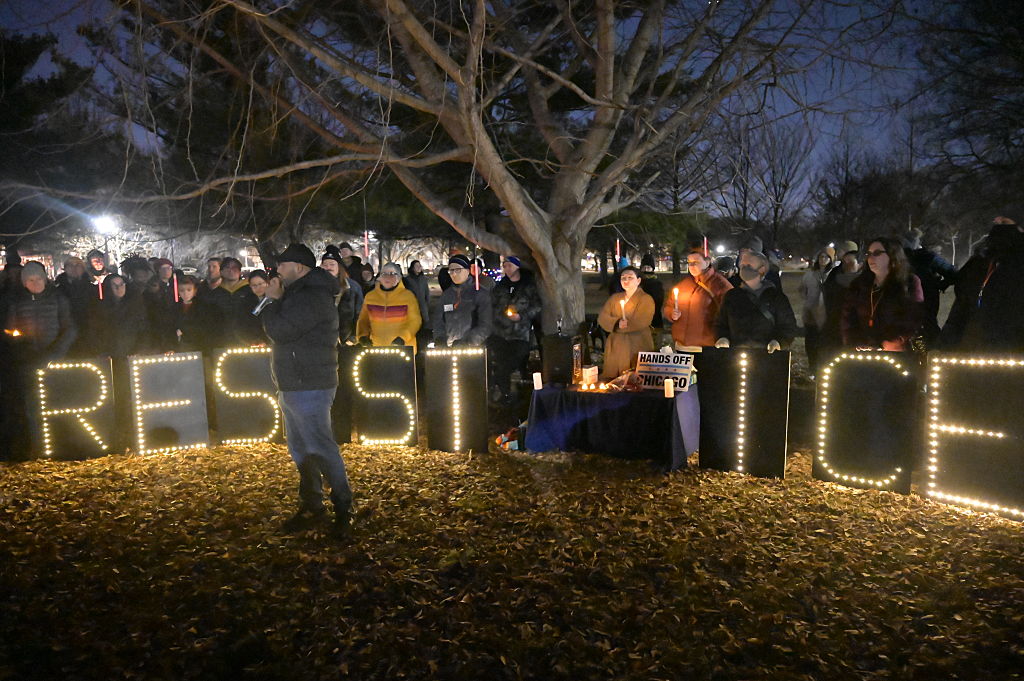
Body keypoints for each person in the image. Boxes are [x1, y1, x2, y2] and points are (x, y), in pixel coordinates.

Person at [257, 243, 351, 538]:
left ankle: (343, 508)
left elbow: (280, 331)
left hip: (309, 383)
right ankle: (313, 505)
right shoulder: (299, 293)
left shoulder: (312, 296)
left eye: (282, 265)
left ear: (299, 267)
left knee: (320, 447)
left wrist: (272, 301)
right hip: (294, 382)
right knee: (301, 450)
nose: (277, 271)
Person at [2, 262, 77, 456]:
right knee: (33, 406)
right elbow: (10, 331)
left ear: (45, 279)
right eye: (30, 280)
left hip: (55, 361)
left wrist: (55, 353)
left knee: (59, 404)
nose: (35, 283)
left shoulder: (58, 298)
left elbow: (69, 329)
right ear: (24, 282)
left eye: (38, 279)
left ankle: (62, 444)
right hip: (29, 363)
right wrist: (24, 350)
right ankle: (39, 446)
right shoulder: (16, 302)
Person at [941, 217, 1024, 352]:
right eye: (996, 222)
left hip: (1012, 344)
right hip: (978, 342)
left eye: (1004, 222)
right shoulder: (980, 263)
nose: (997, 224)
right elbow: (962, 305)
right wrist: (945, 344)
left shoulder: (1012, 264)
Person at [841, 236, 924, 351]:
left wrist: (892, 342)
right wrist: (854, 341)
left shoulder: (908, 283)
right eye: (869, 254)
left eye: (877, 253)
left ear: (892, 255)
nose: (871, 258)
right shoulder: (859, 284)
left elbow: (913, 317)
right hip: (864, 351)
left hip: (896, 352)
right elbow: (848, 317)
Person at [715, 250, 797, 353]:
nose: (744, 269)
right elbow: (721, 323)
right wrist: (723, 338)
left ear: (762, 270)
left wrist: (778, 342)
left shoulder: (776, 298)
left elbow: (788, 327)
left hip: (766, 355)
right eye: (742, 265)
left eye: (748, 265)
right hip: (736, 355)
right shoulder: (731, 296)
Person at [488, 256, 542, 403]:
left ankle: (500, 384)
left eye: (509, 265)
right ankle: (504, 395)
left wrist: (522, 316)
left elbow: (537, 306)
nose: (507, 269)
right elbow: (492, 306)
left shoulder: (528, 287)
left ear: (517, 267)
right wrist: (499, 318)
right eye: (504, 266)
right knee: (501, 362)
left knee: (512, 361)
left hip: (520, 333)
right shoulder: (500, 287)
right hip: (500, 333)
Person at [663, 247, 732, 349]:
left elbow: (729, 314)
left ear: (707, 262)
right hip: (681, 345)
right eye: (689, 262)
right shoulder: (684, 284)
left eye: (696, 262)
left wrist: (723, 337)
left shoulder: (720, 285)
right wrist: (671, 313)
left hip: (706, 346)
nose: (691, 265)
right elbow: (669, 305)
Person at [597, 266, 655, 378]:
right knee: (613, 379)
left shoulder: (646, 299)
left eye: (630, 277)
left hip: (636, 343)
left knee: (634, 378)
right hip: (616, 345)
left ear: (638, 281)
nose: (626, 280)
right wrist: (616, 323)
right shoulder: (615, 298)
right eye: (623, 278)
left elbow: (642, 321)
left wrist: (622, 326)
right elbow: (603, 317)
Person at [902, 228, 957, 345]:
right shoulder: (927, 257)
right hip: (925, 300)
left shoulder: (925, 257)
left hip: (925, 300)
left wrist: (939, 285)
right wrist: (939, 285)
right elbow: (952, 273)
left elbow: (952, 274)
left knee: (926, 326)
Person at [356, 262, 422, 351]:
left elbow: (415, 321)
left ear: (399, 278)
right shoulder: (370, 296)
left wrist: (403, 337)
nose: (387, 277)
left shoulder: (408, 296)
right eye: (384, 274)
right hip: (376, 348)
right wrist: (362, 336)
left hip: (403, 348)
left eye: (392, 274)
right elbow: (363, 320)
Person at [434, 254, 493, 347]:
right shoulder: (446, 295)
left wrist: (469, 341)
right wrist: (439, 338)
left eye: (458, 270)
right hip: (449, 347)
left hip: (473, 348)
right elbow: (438, 320)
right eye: (451, 271)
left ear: (467, 271)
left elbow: (486, 323)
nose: (454, 274)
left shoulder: (480, 294)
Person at [86, 274, 150, 358]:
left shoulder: (135, 306)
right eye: (114, 285)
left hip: (131, 354)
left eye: (121, 284)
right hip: (108, 355)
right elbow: (95, 331)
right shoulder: (99, 308)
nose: (119, 288)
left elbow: (143, 328)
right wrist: (100, 351)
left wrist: (139, 349)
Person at [819, 240, 861, 364]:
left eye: (842, 251)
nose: (839, 253)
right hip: (834, 322)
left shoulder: (864, 276)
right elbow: (827, 293)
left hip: (856, 324)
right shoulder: (835, 273)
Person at [205, 256, 261, 346]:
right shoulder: (215, 294)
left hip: (248, 339)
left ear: (240, 271)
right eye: (227, 267)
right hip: (222, 340)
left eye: (235, 268)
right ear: (221, 271)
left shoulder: (250, 291)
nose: (231, 271)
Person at [798, 249, 834, 374]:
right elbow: (802, 289)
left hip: (827, 314)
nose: (823, 259)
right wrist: (809, 300)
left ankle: (824, 368)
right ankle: (812, 367)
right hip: (811, 313)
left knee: (825, 343)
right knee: (811, 341)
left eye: (826, 257)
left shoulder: (833, 274)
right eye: (821, 257)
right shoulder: (810, 275)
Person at [55, 256, 94, 356]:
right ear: (65, 268)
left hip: (88, 333)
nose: (74, 268)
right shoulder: (58, 290)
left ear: (83, 268)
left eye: (78, 265)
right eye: (70, 265)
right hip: (65, 334)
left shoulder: (92, 289)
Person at [320, 251, 358, 344]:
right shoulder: (315, 287)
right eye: (325, 265)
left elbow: (359, 312)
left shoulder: (352, 287)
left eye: (332, 264)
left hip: (345, 339)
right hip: (322, 339)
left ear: (339, 267)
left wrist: (354, 335)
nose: (328, 267)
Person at [404, 259, 431, 338]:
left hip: (423, 307)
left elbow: (427, 292)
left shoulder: (423, 279)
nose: (419, 267)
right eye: (416, 266)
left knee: (424, 326)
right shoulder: (407, 280)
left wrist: (427, 304)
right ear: (412, 268)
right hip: (412, 307)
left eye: (419, 266)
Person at [639, 254, 665, 330]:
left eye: (648, 268)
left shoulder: (657, 283)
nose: (646, 270)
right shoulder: (637, 282)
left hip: (654, 316)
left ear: (652, 269)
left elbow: (659, 300)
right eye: (644, 267)